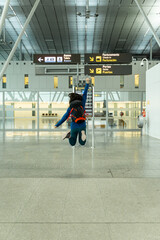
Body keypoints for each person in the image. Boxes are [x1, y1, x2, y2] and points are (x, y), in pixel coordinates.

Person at [55, 77, 90, 146]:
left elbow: (65, 117)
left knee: (72, 143)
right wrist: (87, 83)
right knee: (82, 143)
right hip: (82, 125)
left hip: (74, 126)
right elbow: (85, 93)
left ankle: (70, 136)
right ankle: (83, 133)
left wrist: (57, 124)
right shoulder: (82, 103)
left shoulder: (70, 107)